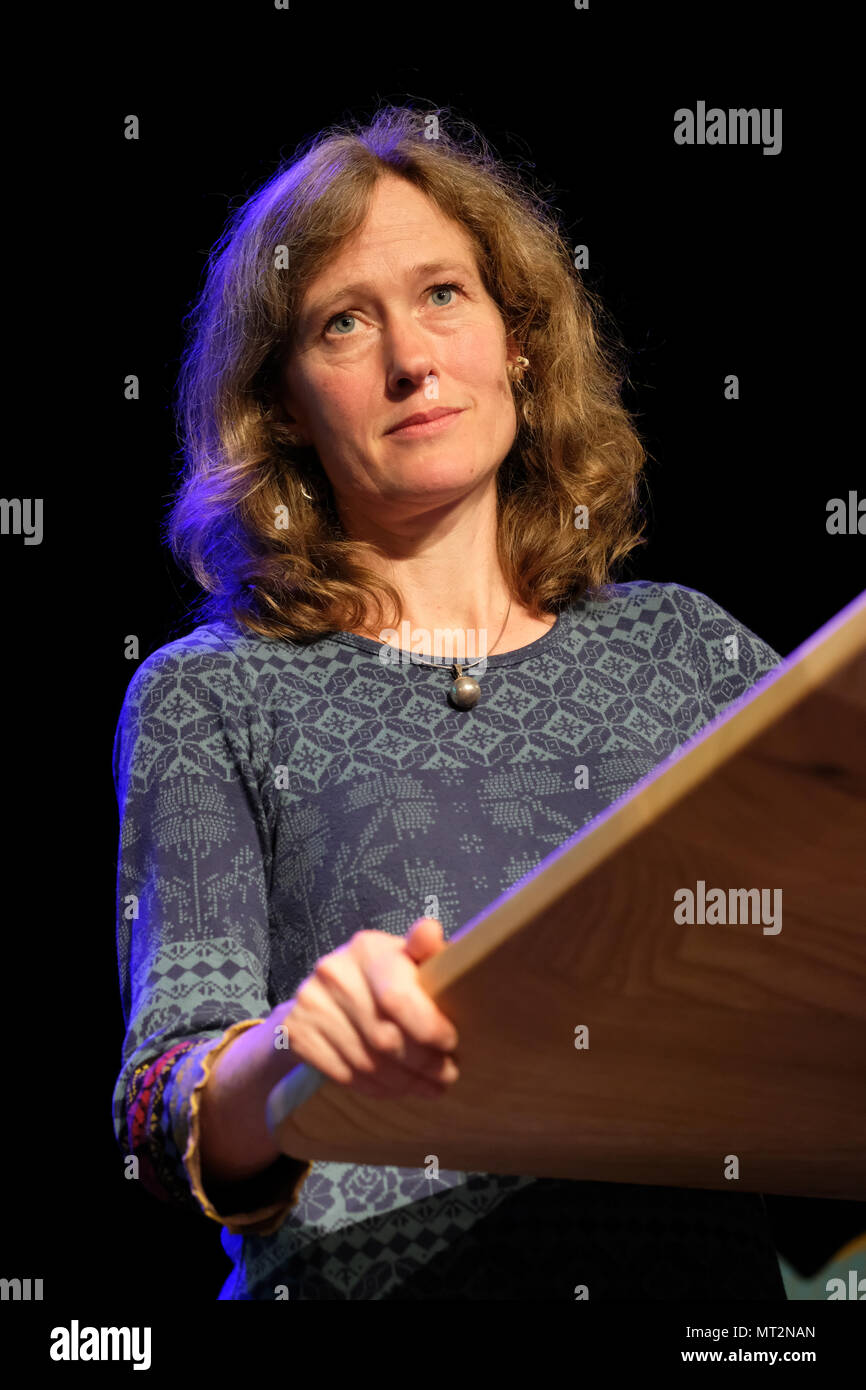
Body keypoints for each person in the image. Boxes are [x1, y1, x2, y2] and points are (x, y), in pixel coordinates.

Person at [112, 103, 788, 1300]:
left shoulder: (684, 650)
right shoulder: (213, 693)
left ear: (516, 338)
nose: (410, 360)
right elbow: (167, 1104)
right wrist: (288, 1048)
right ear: (283, 408)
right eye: (342, 324)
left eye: (441, 295)